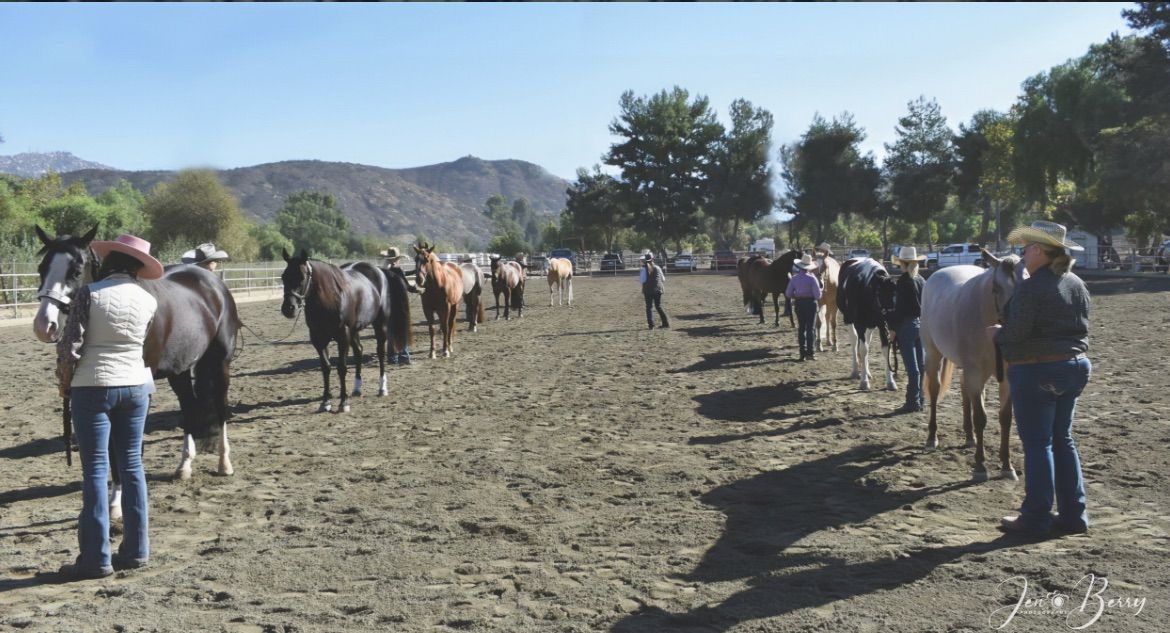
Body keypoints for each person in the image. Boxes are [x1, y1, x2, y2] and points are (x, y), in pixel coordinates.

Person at [56, 234, 163, 579]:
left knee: (96, 472)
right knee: (132, 466)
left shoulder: (91, 293)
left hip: (93, 387)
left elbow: (69, 346)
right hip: (135, 388)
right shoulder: (148, 300)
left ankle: (95, 558)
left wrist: (63, 384)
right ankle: (136, 550)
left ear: (109, 262)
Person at [988, 220, 1091, 537]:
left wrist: (998, 335)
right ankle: (1074, 514)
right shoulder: (1075, 282)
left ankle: (1035, 517)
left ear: (1038, 250)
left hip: (1037, 369)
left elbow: (1016, 334)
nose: (1021, 253)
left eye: (1025, 248)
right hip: (1075, 366)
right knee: (1063, 440)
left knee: (1038, 444)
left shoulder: (1032, 287)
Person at [889, 246, 927, 413]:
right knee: (921, 364)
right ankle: (920, 399)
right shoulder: (921, 280)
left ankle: (912, 402)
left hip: (907, 325)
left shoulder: (903, 282)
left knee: (913, 368)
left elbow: (900, 310)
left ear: (903, 264)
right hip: (922, 325)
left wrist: (892, 328)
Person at [785, 253, 823, 361]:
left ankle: (802, 353)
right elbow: (817, 295)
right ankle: (810, 353)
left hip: (799, 303)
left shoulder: (794, 278)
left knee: (801, 328)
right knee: (810, 328)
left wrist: (796, 295)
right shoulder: (812, 279)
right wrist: (821, 289)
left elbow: (788, 293)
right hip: (811, 303)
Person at [378, 246, 412, 365]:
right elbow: (407, 286)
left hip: (386, 304)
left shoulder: (382, 272)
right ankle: (404, 355)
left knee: (390, 331)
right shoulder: (398, 271)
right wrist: (419, 290)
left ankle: (392, 358)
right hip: (399, 305)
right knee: (402, 330)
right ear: (397, 259)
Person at [639, 252, 669, 330]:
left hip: (648, 290)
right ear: (652, 259)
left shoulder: (643, 269)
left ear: (645, 260)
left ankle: (651, 325)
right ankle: (665, 322)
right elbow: (663, 279)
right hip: (658, 289)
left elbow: (642, 280)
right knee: (658, 306)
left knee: (649, 307)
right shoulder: (658, 268)